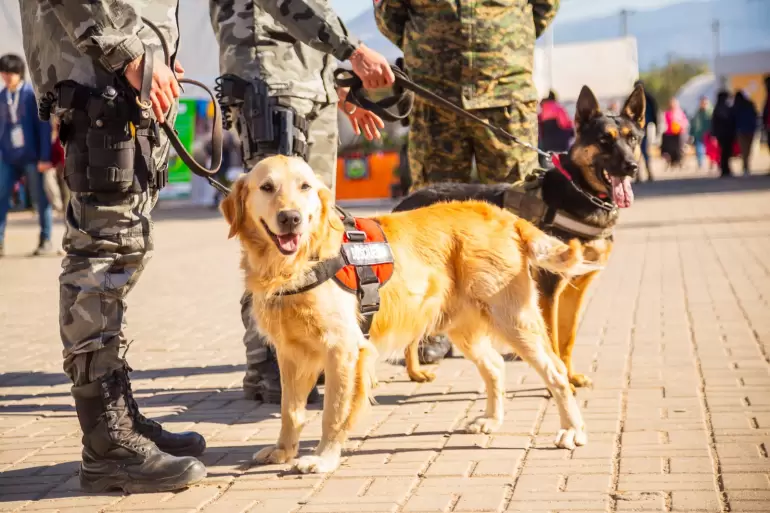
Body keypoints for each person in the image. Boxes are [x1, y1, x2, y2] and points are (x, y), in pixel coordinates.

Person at [18, 0, 395, 495]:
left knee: (122, 253)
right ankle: (107, 439)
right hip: (105, 77)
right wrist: (131, 49)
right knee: (103, 254)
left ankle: (117, 418)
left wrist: (153, 49)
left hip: (124, 75)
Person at [209, 0, 392, 404]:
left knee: (314, 233)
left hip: (310, 86)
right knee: (270, 229)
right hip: (272, 83)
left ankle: (307, 355)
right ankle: (270, 364)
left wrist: (336, 81)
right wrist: (353, 52)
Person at [375, 0, 559, 366]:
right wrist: (428, 44)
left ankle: (517, 324)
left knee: (517, 209)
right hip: (435, 95)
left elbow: (545, 7)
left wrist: (504, 39)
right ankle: (432, 330)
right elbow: (390, 16)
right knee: (431, 217)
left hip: (506, 91)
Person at [0, 54, 54, 258]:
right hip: (8, 157)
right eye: (3, 72)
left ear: (19, 73)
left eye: (9, 73)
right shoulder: (2, 97)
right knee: (1, 196)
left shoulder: (31, 95)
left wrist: (44, 157)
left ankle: (46, 239)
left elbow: (43, 127)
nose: (6, 77)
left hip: (32, 156)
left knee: (40, 198)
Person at [538, 90, 574, 165]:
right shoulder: (558, 108)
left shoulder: (541, 111)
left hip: (546, 144)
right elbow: (565, 124)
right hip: (560, 143)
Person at [634, 79, 659, 181]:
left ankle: (646, 173)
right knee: (638, 151)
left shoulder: (647, 98)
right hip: (636, 127)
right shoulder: (645, 98)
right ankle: (640, 174)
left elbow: (654, 112)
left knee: (641, 150)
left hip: (642, 127)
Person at [711, 90, 736, 178]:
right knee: (725, 152)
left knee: (725, 152)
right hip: (726, 134)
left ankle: (725, 168)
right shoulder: (723, 108)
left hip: (724, 134)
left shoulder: (718, 108)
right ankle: (725, 169)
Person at [732, 91, 758, 175]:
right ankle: (746, 167)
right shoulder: (750, 104)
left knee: (744, 150)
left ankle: (745, 167)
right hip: (750, 130)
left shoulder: (736, 106)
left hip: (741, 131)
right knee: (748, 150)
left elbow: (733, 119)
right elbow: (755, 115)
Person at [660, 97, 688, 168]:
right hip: (670, 133)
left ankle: (679, 161)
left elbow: (685, 122)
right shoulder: (667, 113)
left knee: (679, 147)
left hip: (679, 133)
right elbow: (665, 123)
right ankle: (671, 160)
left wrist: (680, 125)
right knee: (669, 147)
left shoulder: (680, 112)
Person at [689, 95, 712, 169]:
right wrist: (691, 133)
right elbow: (693, 124)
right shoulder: (697, 113)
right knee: (699, 149)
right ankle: (700, 164)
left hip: (709, 134)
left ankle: (711, 163)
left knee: (710, 150)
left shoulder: (710, 112)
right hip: (699, 134)